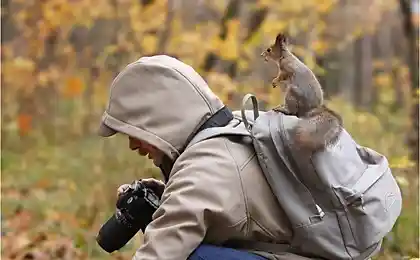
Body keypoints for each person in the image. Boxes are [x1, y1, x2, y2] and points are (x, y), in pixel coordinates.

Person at [97, 55, 309, 260]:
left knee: (190, 256)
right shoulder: (236, 128)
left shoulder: (203, 171)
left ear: (159, 119)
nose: (133, 145)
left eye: (135, 132)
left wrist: (174, 205)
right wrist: (167, 199)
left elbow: (158, 255)